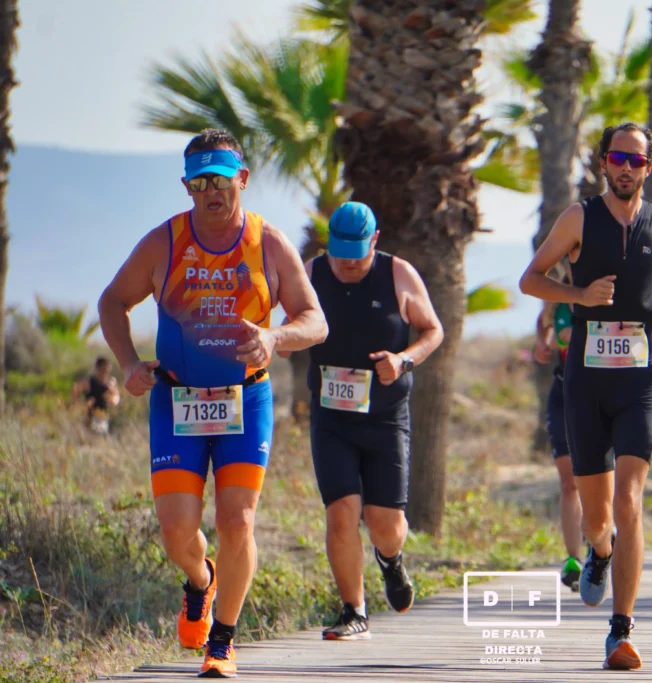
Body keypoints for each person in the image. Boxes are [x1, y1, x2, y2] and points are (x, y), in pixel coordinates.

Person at [97, 128, 328, 678]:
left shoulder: (268, 243)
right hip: (175, 400)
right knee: (177, 532)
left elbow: (314, 320)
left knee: (237, 520)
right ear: (187, 186)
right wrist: (129, 363)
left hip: (245, 400)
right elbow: (113, 301)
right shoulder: (165, 243)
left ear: (241, 180)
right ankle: (201, 581)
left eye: (221, 180)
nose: (211, 192)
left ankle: (221, 642)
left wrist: (274, 338)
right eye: (199, 182)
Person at [519, 122, 652, 670]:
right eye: (617, 158)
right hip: (587, 377)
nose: (625, 168)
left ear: (649, 168)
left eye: (635, 161)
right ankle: (598, 552)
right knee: (599, 518)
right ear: (603, 164)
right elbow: (531, 279)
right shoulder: (578, 218)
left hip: (641, 376)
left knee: (630, 499)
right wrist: (578, 295)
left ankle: (621, 630)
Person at [275, 201, 443, 641]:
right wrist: (283, 340)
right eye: (340, 252)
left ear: (375, 241)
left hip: (385, 419)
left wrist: (404, 360)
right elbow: (286, 329)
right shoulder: (311, 272)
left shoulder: (398, 274)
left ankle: (390, 560)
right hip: (331, 418)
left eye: (357, 252)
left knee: (386, 525)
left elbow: (432, 330)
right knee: (341, 514)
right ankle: (354, 611)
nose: (348, 262)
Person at [533, 269, 584, 591]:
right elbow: (547, 325)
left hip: (599, 397)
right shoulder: (560, 298)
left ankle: (602, 540)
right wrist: (542, 342)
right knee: (569, 483)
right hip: (565, 393)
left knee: (597, 477)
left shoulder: (606, 291)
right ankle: (573, 559)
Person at [73, 356, 121, 434]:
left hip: (104, 416)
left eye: (107, 370)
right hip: (89, 416)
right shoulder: (87, 382)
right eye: (103, 370)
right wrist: (83, 404)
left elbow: (116, 397)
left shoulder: (111, 383)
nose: (105, 373)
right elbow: (75, 394)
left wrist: (113, 400)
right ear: (97, 369)